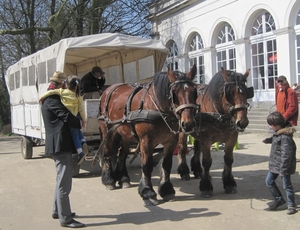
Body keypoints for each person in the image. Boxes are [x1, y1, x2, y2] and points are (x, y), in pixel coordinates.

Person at [41, 71, 85, 228]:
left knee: (61, 179)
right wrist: (80, 122)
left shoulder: (51, 97)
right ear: (61, 84)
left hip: (59, 144)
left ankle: (57, 211)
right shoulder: (52, 99)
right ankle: (65, 219)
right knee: (64, 184)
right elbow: (67, 117)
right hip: (61, 144)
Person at [40, 75, 89, 165]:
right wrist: (84, 120)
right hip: (77, 117)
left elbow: (50, 93)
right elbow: (81, 109)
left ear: (66, 84)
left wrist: (42, 97)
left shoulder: (61, 92)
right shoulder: (78, 96)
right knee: (78, 132)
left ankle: (80, 152)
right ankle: (83, 141)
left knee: (74, 135)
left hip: (70, 119)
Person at [262, 111, 297, 215]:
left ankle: (291, 205)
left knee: (287, 185)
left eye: (271, 125)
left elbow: (287, 155)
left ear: (277, 125)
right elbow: (275, 139)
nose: (270, 127)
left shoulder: (285, 137)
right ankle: (278, 199)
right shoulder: (278, 133)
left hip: (283, 167)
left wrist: (284, 169)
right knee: (269, 181)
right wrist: (269, 140)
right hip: (275, 165)